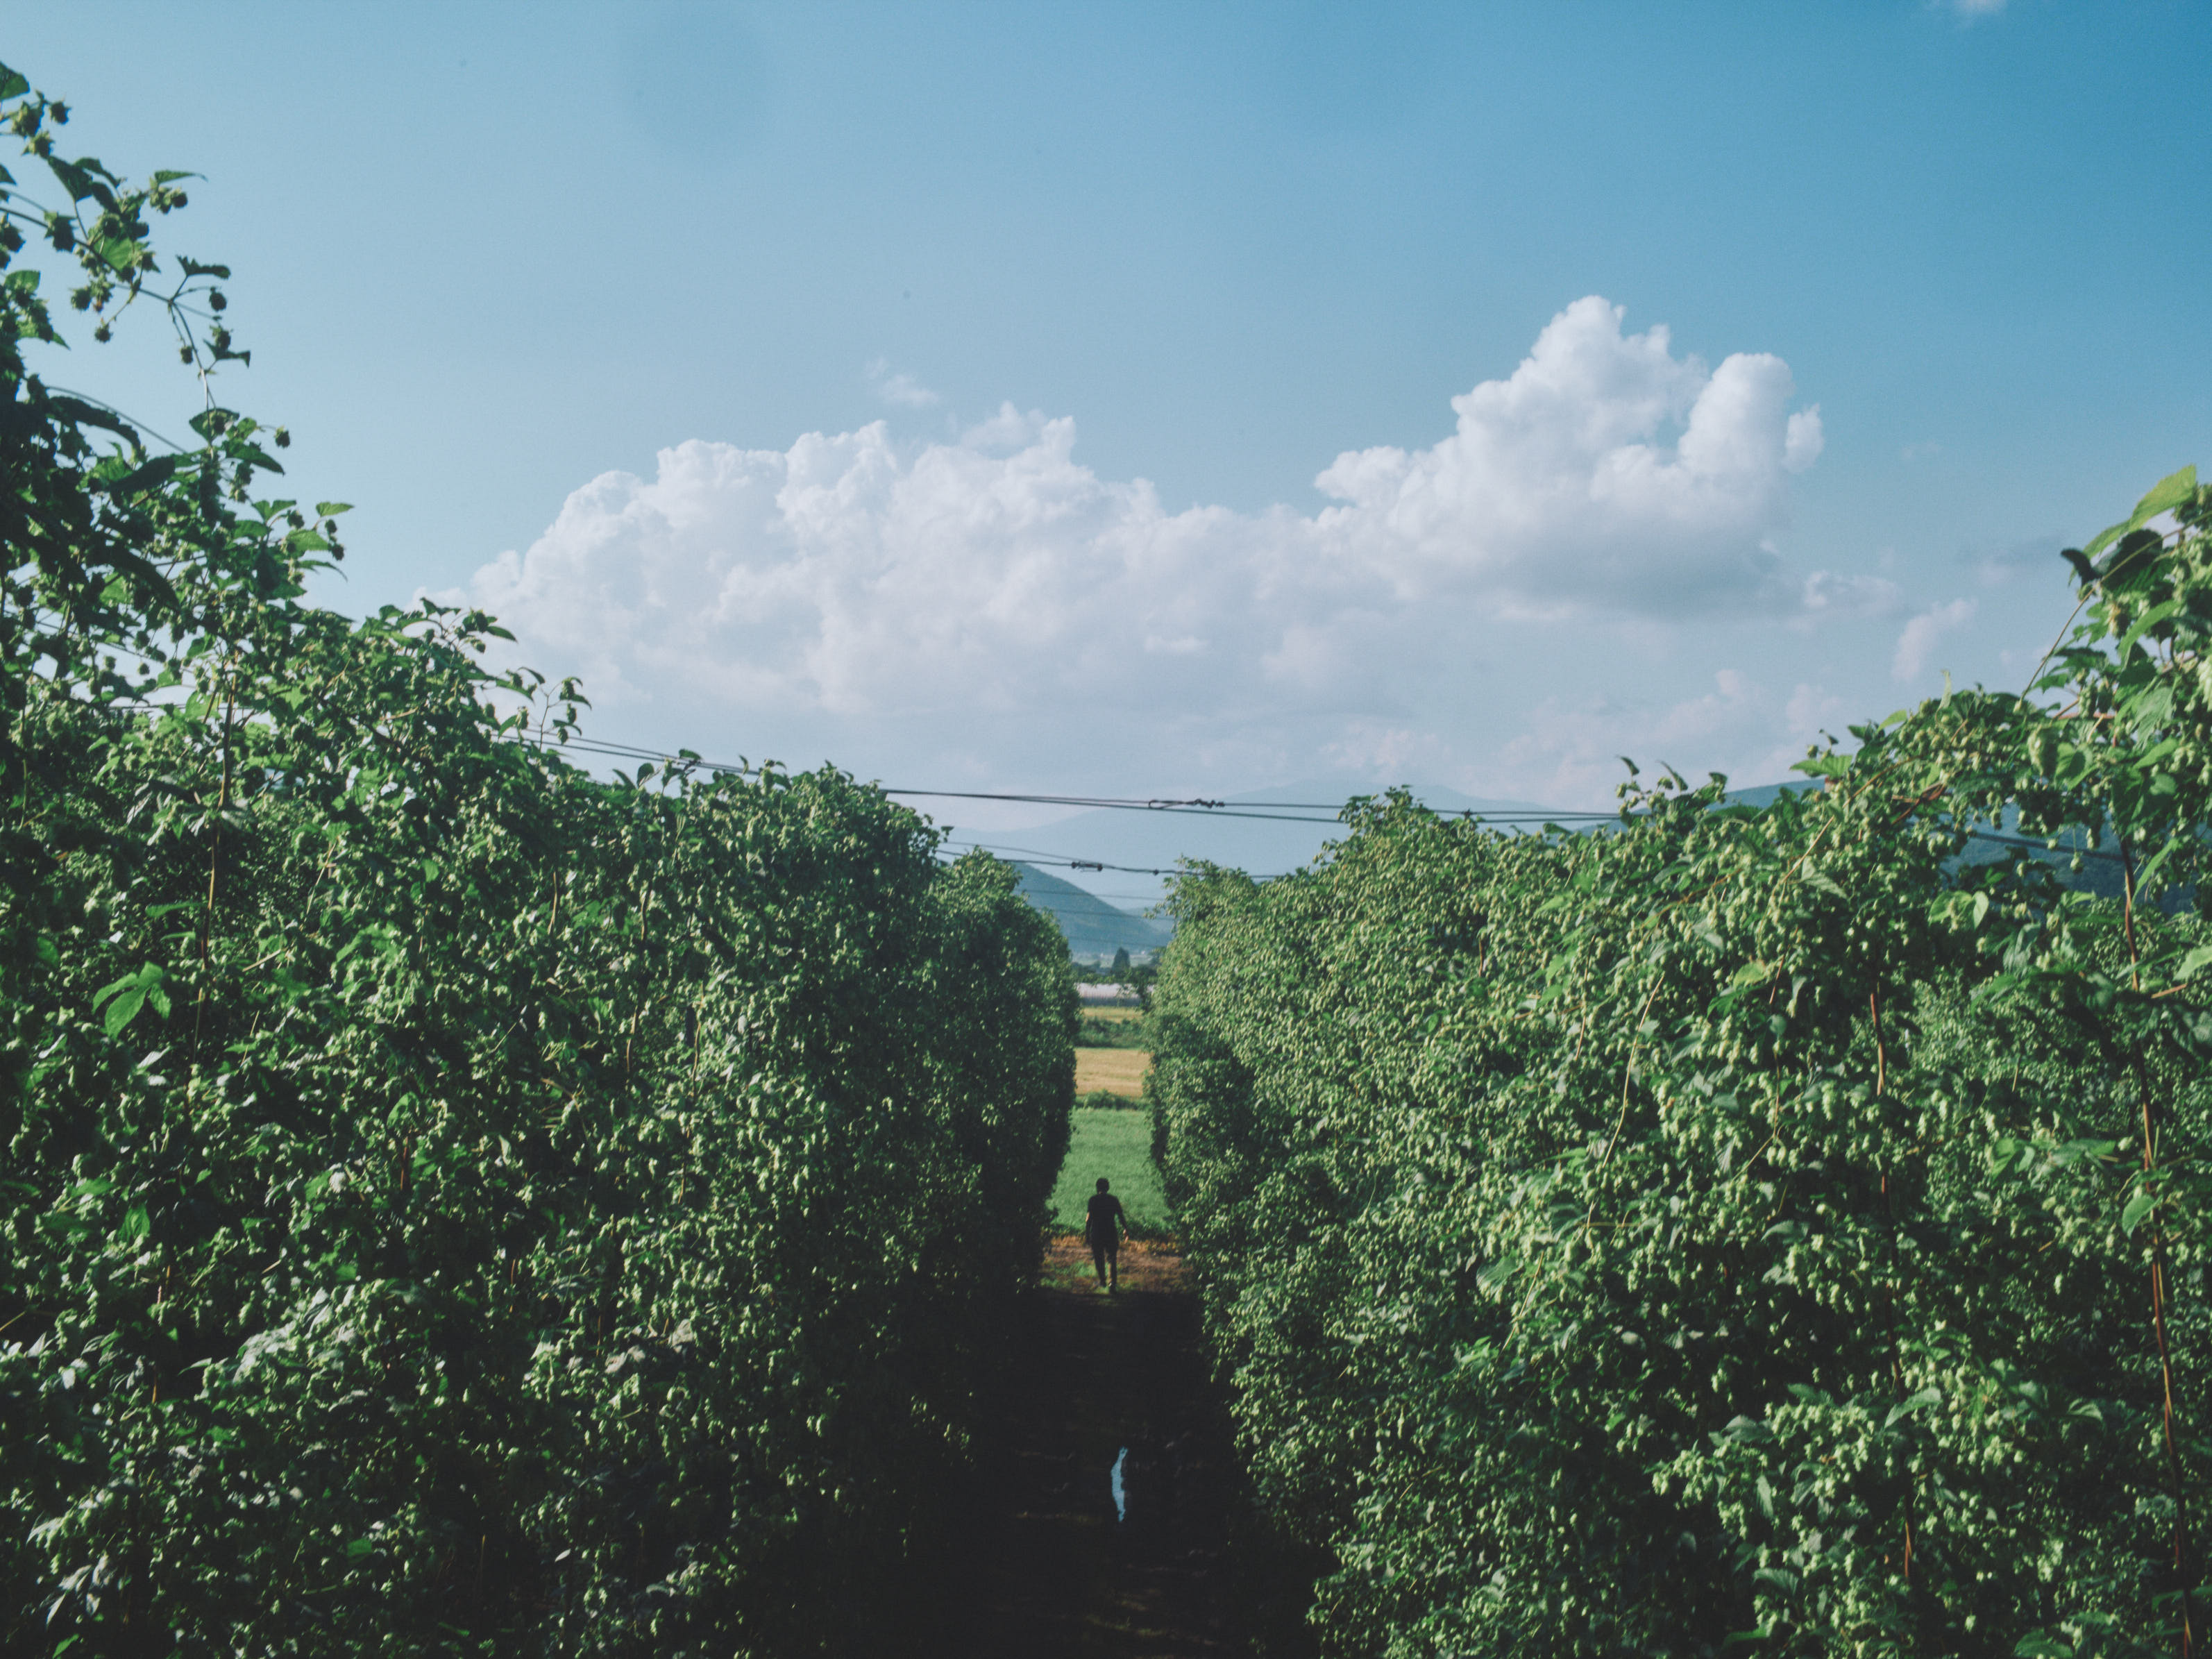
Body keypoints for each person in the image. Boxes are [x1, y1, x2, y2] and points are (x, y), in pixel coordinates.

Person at [1085, 1177, 1128, 1292]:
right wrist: (1125, 1229)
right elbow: (1121, 1216)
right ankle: (1112, 1283)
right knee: (1112, 1258)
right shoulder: (1113, 1200)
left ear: (1097, 1188)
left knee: (1099, 1258)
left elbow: (1088, 1219)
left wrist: (1087, 1234)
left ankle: (1103, 1281)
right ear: (1108, 1188)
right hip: (1111, 1232)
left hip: (1097, 1232)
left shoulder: (1093, 1200)